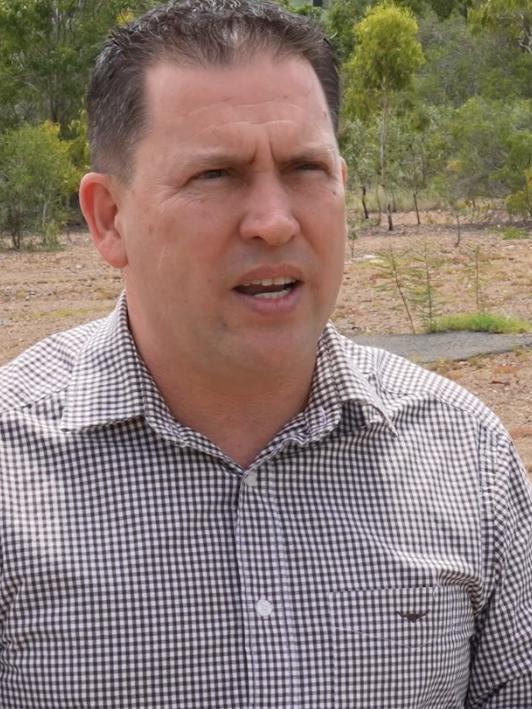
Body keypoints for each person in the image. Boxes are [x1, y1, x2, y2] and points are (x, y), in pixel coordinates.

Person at [0, 1, 530, 706]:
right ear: (109, 218)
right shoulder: (13, 472)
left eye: (306, 168)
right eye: (215, 175)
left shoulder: (464, 456)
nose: (276, 221)